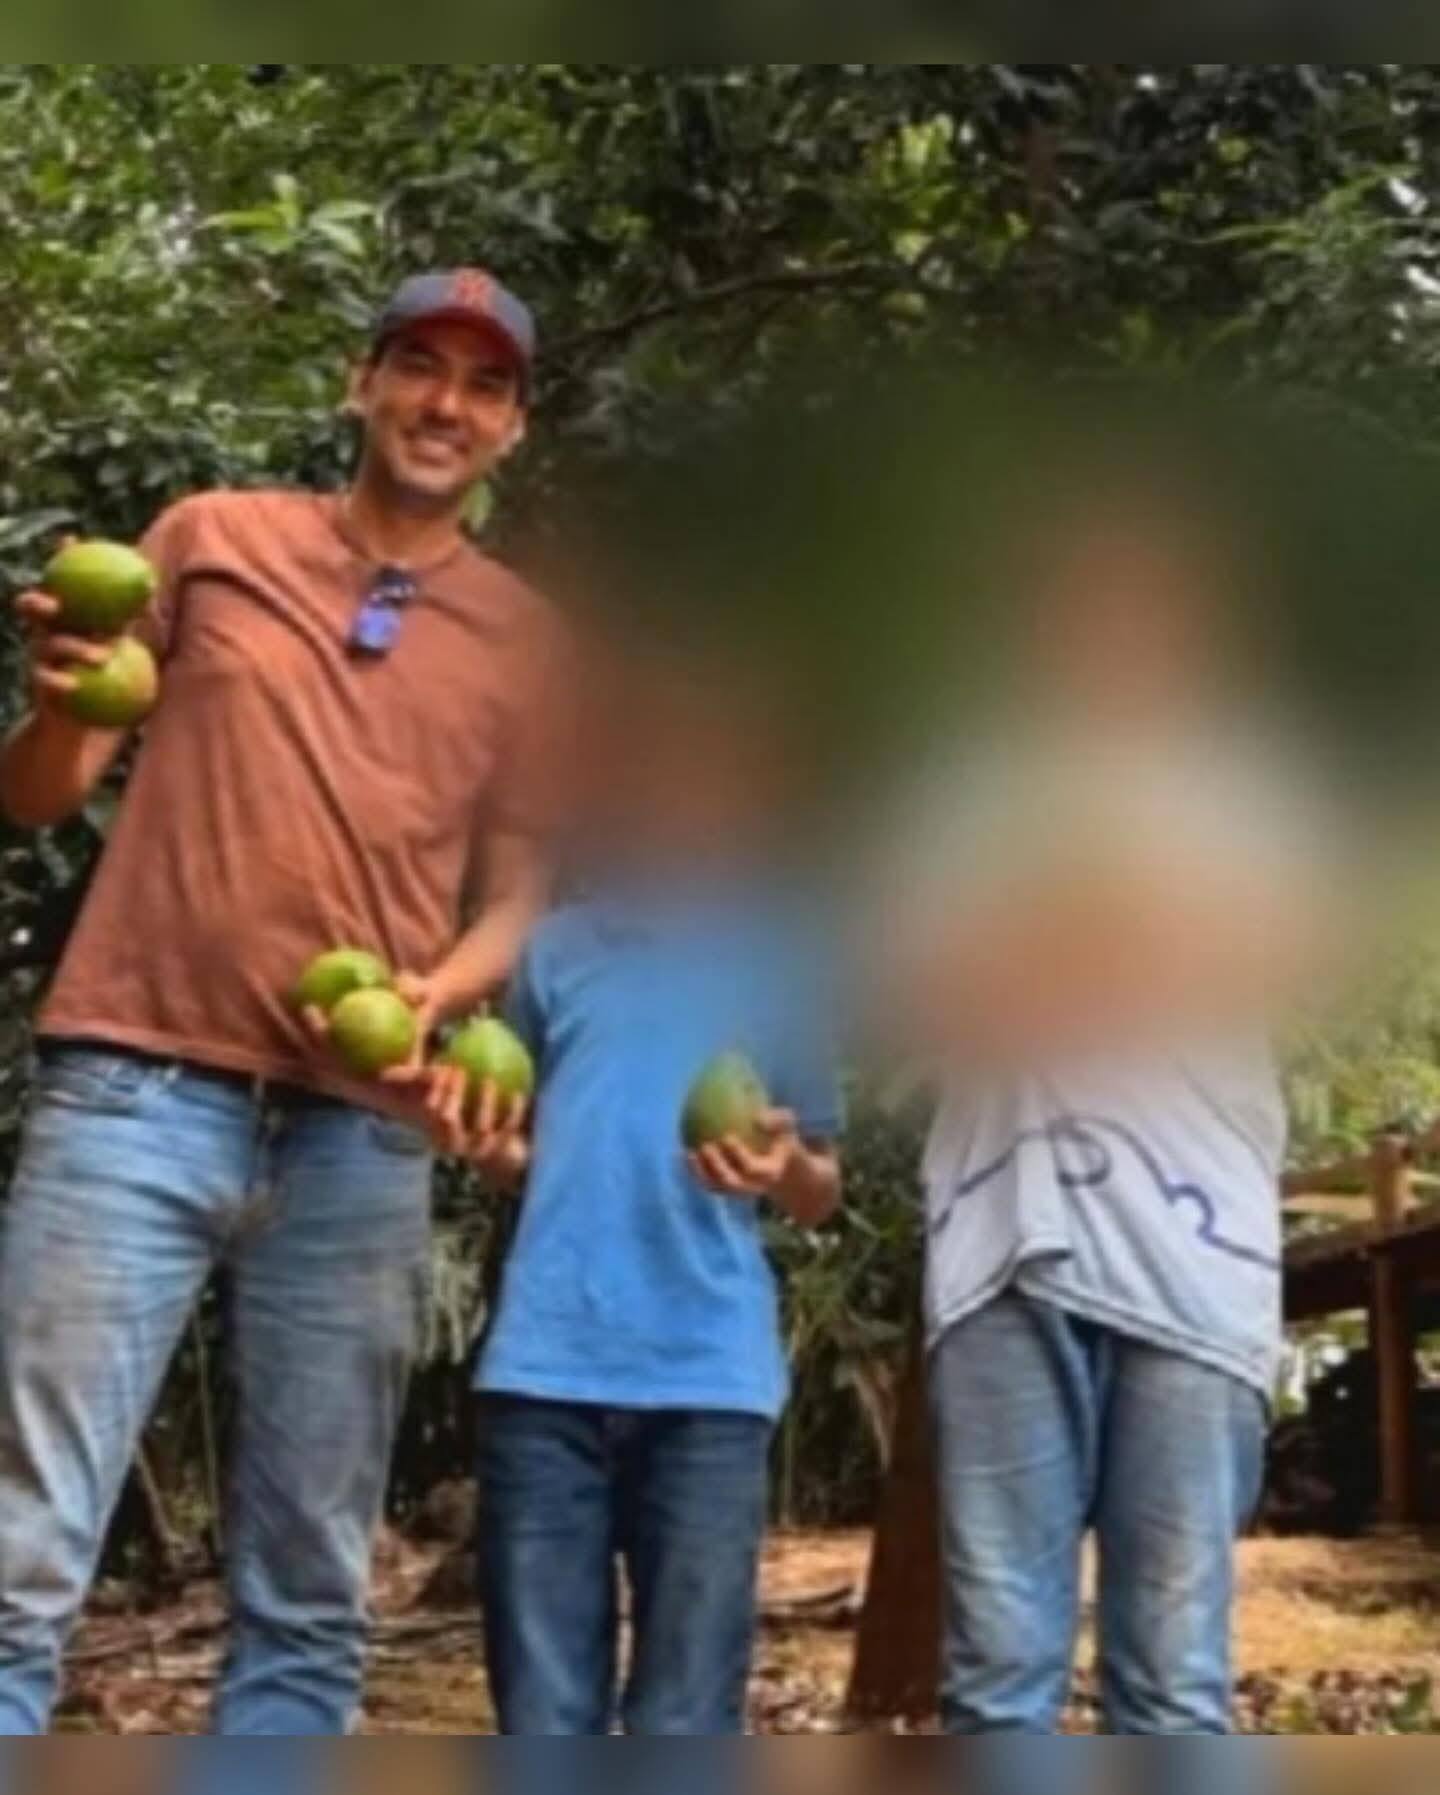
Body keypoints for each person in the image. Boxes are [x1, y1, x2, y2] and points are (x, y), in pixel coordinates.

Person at [0, 268, 567, 1735]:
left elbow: (515, 896)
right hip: (132, 1089)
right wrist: (59, 699)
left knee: (311, 1591)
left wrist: (439, 988)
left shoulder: (527, 637)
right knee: (18, 1553)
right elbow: (42, 793)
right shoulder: (208, 537)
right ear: (361, 382)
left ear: (512, 426)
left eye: (485, 384)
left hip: (358, 1134)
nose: (446, 403)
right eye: (419, 365)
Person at [879, 467, 1331, 1736]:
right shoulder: (962, 791)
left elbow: (1275, 958)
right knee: (996, 1671)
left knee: (1174, 1674)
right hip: (999, 1240)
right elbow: (916, 994)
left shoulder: (1253, 792)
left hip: (1198, 1254)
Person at [430, 646, 844, 1735]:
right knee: (543, 1710)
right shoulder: (553, 954)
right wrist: (489, 1153)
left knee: (685, 1711)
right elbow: (524, 1149)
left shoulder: (784, 962)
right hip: (544, 1369)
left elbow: (819, 1188)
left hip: (709, 1381)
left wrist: (784, 1167)